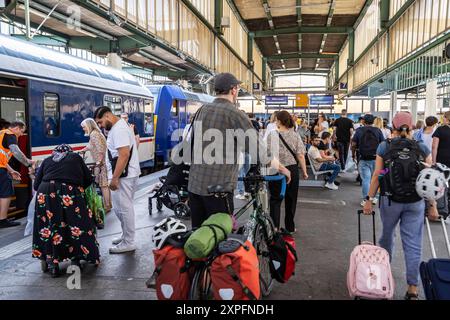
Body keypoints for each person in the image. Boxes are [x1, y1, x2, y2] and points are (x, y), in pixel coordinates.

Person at [185, 73, 291, 228]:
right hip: (218, 190)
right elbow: (259, 150)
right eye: (237, 88)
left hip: (195, 187)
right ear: (233, 90)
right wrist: (283, 169)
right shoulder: (235, 114)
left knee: (199, 239)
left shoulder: (202, 110)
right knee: (219, 240)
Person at [363, 112, 437, 300]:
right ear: (412, 127)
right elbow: (429, 180)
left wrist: (369, 200)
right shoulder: (421, 148)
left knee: (387, 238)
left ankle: (383, 279)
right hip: (415, 202)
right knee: (413, 244)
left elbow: (378, 175)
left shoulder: (384, 146)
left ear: (393, 126)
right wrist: (433, 205)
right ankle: (412, 287)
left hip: (390, 200)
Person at [32, 144, 100, 277]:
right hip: (69, 192)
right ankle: (75, 259)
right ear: (69, 152)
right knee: (76, 225)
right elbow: (88, 179)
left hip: (45, 193)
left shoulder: (47, 160)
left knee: (49, 226)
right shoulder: (75, 157)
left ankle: (52, 263)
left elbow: (36, 185)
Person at [95, 107, 141, 254]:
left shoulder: (119, 129)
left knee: (124, 208)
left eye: (100, 122)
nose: (101, 125)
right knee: (121, 208)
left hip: (123, 176)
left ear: (108, 115)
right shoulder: (118, 127)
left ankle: (129, 242)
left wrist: (115, 178)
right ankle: (126, 236)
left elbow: (124, 154)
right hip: (125, 175)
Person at [267, 111, 308, 233]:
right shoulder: (295, 135)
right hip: (292, 169)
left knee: (275, 199)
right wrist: (305, 172)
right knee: (291, 199)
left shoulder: (271, 135)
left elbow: (267, 155)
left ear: (279, 121)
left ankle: (275, 228)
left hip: (275, 169)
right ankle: (289, 227)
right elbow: (300, 155)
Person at [0, 121, 34, 228]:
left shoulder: (1, 133)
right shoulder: (10, 134)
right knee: (5, 193)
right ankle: (2, 220)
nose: (21, 134)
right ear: (17, 128)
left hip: (2, 167)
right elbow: (15, 151)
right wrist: (28, 162)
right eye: (22, 132)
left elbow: (2, 158)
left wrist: (10, 170)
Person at [352, 114, 384, 206]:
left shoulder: (359, 130)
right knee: (376, 178)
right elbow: (383, 144)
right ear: (373, 121)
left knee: (366, 179)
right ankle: (375, 197)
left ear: (363, 121)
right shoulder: (378, 130)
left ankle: (366, 199)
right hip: (377, 159)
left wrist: (353, 154)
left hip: (364, 158)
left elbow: (353, 144)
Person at [80, 118, 112, 213]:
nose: (83, 129)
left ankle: (107, 206)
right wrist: (82, 150)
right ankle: (109, 204)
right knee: (104, 185)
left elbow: (101, 149)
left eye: (84, 127)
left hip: (102, 164)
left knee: (104, 185)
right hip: (103, 162)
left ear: (89, 126)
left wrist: (99, 162)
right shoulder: (95, 134)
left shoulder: (94, 134)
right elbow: (90, 146)